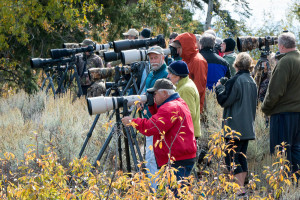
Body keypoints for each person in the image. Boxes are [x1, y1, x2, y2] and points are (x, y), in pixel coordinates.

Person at [121, 78, 197, 181]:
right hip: (182, 156)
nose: (153, 96)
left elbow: (151, 127)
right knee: (182, 190)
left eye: (155, 93)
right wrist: (152, 105)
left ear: (165, 93)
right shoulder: (179, 102)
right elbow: (162, 121)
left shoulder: (169, 108)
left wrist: (132, 121)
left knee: (175, 194)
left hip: (177, 160)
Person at [215, 52, 257, 195]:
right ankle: (242, 188)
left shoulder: (236, 80)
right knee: (241, 156)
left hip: (234, 127)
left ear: (236, 65)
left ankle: (240, 189)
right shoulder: (252, 81)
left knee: (231, 157)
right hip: (247, 126)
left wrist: (219, 87)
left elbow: (224, 101)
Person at [261, 32, 300, 179]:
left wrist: (265, 109)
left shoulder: (285, 62)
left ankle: (282, 185)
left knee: (281, 152)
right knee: (296, 150)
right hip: (297, 114)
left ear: (281, 46)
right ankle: (295, 186)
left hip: (283, 115)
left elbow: (275, 91)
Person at [143, 46, 168, 188]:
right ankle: (156, 186)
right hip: (150, 118)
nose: (153, 61)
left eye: (156, 57)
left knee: (152, 156)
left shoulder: (165, 73)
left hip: (158, 121)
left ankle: (156, 189)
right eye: (151, 58)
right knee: (151, 156)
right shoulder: (151, 74)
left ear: (162, 57)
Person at [170, 32, 208, 113]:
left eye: (178, 48)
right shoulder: (185, 60)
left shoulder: (198, 61)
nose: (177, 51)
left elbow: (199, 88)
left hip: (193, 107)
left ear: (185, 47)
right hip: (184, 104)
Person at [167, 60, 201, 139]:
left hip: (186, 134)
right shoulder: (183, 85)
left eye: (170, 73)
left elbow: (189, 114)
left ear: (177, 75)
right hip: (186, 133)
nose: (168, 76)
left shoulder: (186, 89)